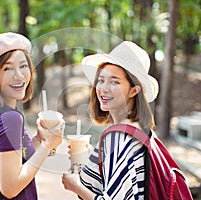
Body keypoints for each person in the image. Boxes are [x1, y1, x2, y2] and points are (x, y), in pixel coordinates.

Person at [62, 41, 159, 199]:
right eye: (101, 80)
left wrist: (76, 186)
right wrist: (94, 158)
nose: (103, 89)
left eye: (114, 81)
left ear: (134, 90)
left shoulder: (117, 137)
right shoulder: (141, 130)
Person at [0, 32, 64, 200]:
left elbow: (21, 161)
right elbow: (10, 188)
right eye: (8, 68)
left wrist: (41, 139)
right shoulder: (10, 118)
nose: (19, 75)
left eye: (23, 66)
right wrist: (48, 146)